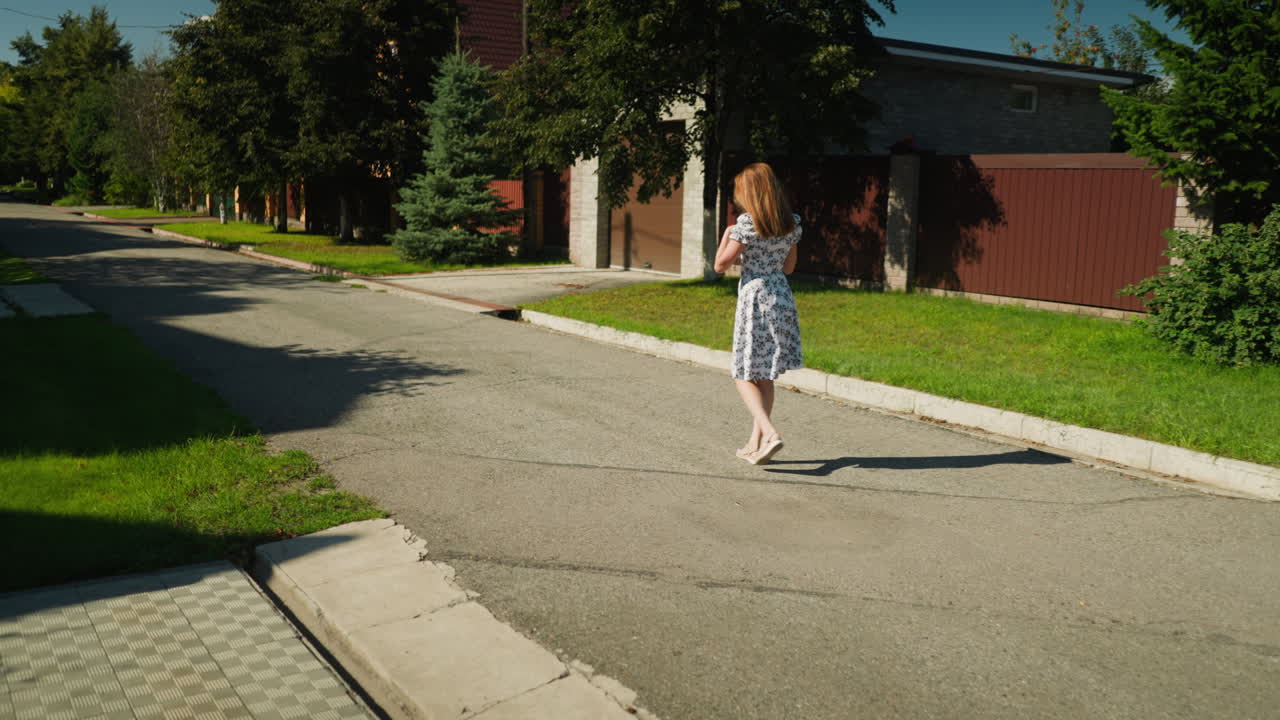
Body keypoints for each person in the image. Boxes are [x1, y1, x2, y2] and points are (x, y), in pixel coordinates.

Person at [713, 162, 803, 465]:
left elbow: (720, 265)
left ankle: (769, 432)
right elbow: (789, 268)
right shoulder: (790, 223)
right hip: (781, 295)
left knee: (742, 371)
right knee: (763, 373)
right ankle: (755, 443)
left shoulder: (746, 224)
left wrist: (728, 235)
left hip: (754, 297)